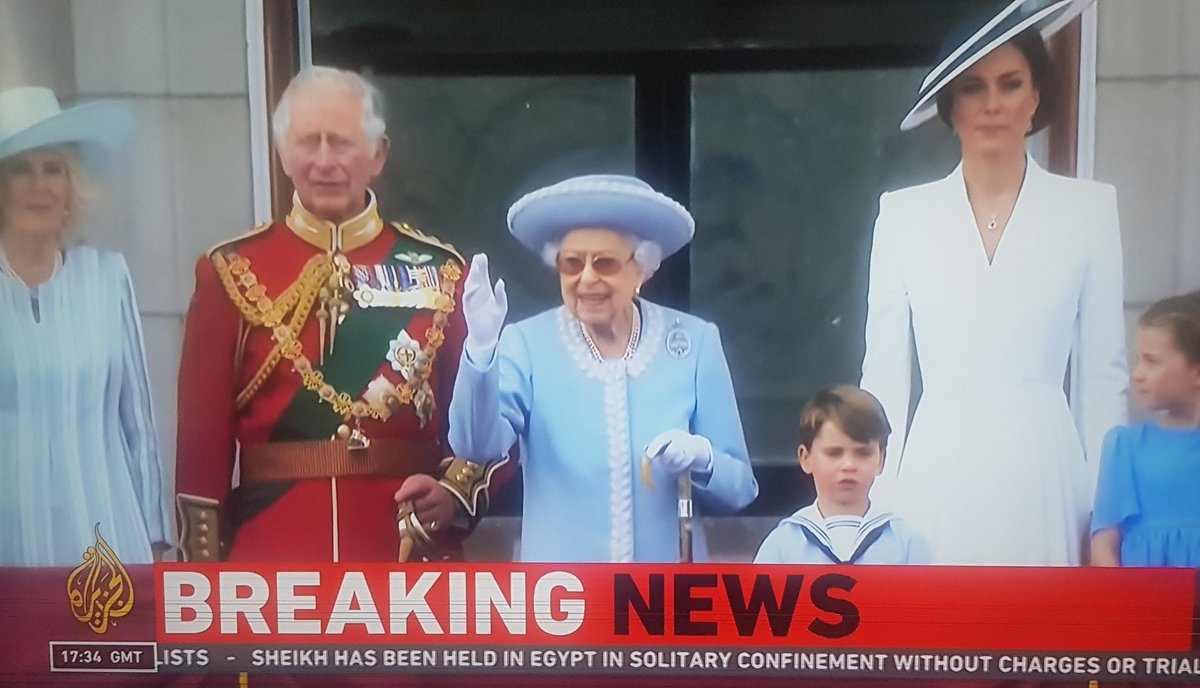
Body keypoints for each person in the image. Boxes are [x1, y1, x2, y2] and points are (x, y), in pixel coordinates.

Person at [175, 66, 503, 563]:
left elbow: (486, 414)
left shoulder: (442, 271)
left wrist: (454, 492)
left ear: (378, 155)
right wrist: (203, 574)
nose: (324, 161)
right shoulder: (231, 269)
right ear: (282, 153)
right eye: (309, 142)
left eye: (342, 143)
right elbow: (201, 444)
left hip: (404, 550)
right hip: (273, 558)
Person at [860, 0, 1127, 566]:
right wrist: (875, 504)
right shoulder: (904, 215)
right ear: (950, 106)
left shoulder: (1088, 210)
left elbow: (1104, 377)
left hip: (1047, 468)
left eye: (1010, 84)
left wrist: (1107, 512)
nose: (992, 104)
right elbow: (883, 377)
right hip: (937, 465)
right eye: (973, 87)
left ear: (1035, 97)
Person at [449, 174, 758, 562]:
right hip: (562, 590)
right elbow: (476, 446)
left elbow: (740, 488)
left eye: (605, 263)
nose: (587, 278)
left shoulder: (694, 342)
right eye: (572, 264)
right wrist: (480, 349)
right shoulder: (526, 343)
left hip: (663, 589)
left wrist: (704, 459)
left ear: (641, 269)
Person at [0, 86, 172, 565]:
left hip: (105, 539)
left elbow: (137, 423)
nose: (39, 186)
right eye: (20, 169)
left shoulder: (106, 278)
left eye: (53, 168)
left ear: (72, 186)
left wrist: (154, 538)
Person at [754, 386, 930, 565]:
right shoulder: (781, 545)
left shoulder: (907, 545)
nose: (849, 465)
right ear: (806, 458)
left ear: (880, 461)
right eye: (834, 453)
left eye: (863, 453)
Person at [1091, 292, 1200, 568]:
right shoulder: (1125, 446)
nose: (1137, 374)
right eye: (1138, 360)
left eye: (1151, 361)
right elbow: (1104, 545)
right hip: (1148, 594)